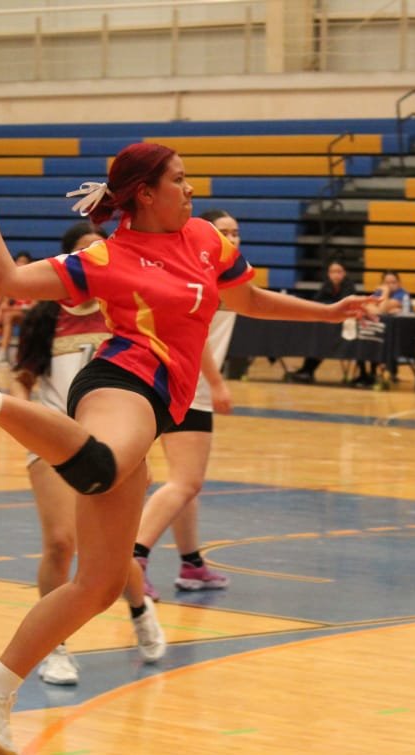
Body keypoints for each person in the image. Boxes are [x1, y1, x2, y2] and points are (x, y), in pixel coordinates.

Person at [0, 142, 371, 755]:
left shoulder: (205, 240)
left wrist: (327, 314)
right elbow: (9, 281)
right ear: (145, 193)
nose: (191, 190)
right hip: (122, 381)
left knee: (98, 584)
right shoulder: (108, 256)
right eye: (180, 180)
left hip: (160, 401)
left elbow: (248, 299)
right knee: (101, 466)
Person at [11, 224, 117, 686]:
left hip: (110, 442)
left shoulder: (122, 311)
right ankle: (55, 647)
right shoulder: (45, 315)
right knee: (60, 542)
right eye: (84, 251)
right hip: (53, 439)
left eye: (101, 249)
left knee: (113, 552)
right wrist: (27, 417)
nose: (94, 257)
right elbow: (22, 379)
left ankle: (140, 613)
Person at [133, 209, 239, 598]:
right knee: (186, 482)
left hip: (178, 383)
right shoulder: (201, 276)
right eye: (224, 232)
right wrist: (217, 382)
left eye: (236, 232)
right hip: (188, 385)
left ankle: (192, 563)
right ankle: (134, 558)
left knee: (185, 481)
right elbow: (196, 337)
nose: (232, 238)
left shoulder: (220, 273)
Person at [287, 260, 355, 383]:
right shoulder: (326, 286)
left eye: (338, 271)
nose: (335, 275)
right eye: (332, 272)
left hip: (342, 328)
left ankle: (308, 371)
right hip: (325, 326)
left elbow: (343, 306)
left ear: (344, 273)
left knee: (323, 341)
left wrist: (328, 307)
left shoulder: (349, 287)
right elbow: (316, 302)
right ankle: (306, 370)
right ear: (328, 274)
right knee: (315, 339)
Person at [349, 269, 411, 388]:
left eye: (393, 282)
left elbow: (380, 311)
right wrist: (379, 307)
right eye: (387, 283)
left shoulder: (402, 295)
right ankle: (364, 373)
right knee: (363, 335)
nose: (390, 285)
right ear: (382, 283)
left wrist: (385, 293)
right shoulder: (378, 293)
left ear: (399, 283)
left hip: (397, 335)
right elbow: (367, 307)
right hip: (377, 331)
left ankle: (374, 373)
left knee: (376, 337)